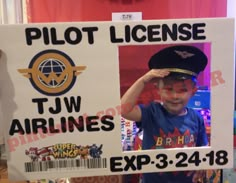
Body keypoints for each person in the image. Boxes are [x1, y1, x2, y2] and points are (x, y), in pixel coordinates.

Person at [121, 45, 209, 183]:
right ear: (158, 89)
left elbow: (203, 146)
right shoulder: (152, 112)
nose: (175, 96)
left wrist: (203, 163)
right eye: (168, 89)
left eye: (182, 90)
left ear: (193, 92)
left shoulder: (196, 118)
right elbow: (124, 110)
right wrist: (144, 80)